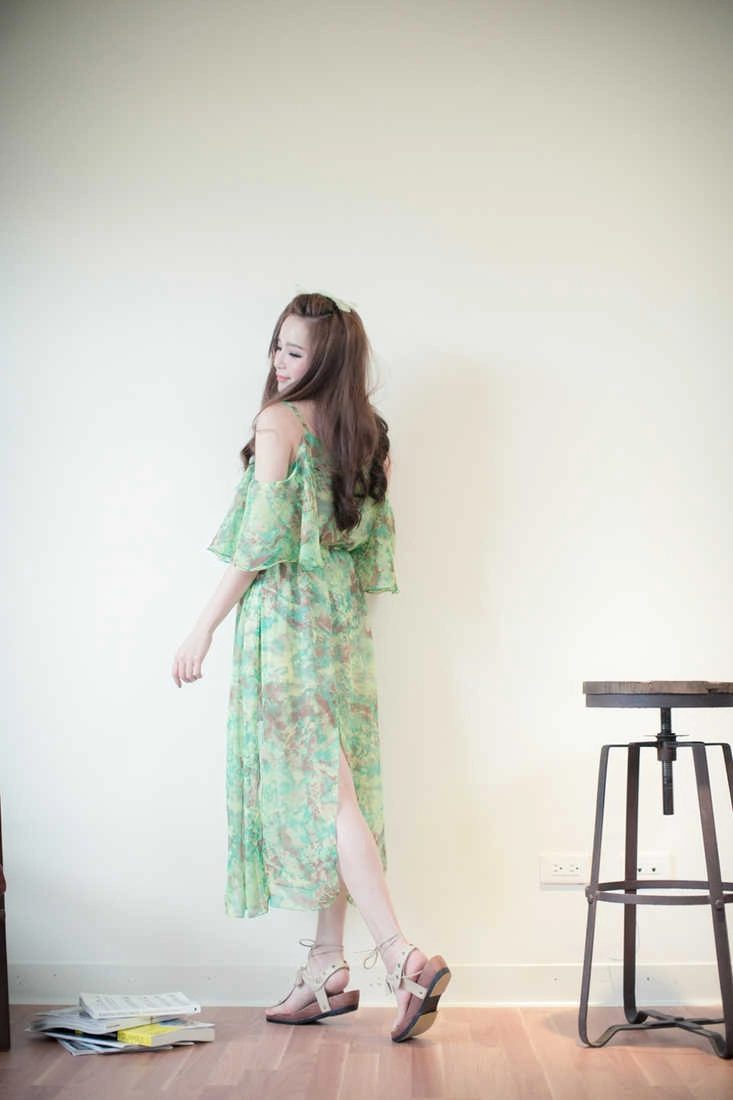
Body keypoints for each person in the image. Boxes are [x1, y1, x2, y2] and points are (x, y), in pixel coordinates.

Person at [172, 292, 450, 1042]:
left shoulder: (279, 422)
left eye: (294, 352)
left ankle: (402, 959)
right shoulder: (370, 433)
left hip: (286, 626)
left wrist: (202, 627)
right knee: (340, 789)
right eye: (277, 345)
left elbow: (258, 544)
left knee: (328, 798)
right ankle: (325, 966)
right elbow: (370, 549)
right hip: (342, 626)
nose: (278, 362)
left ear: (326, 359)